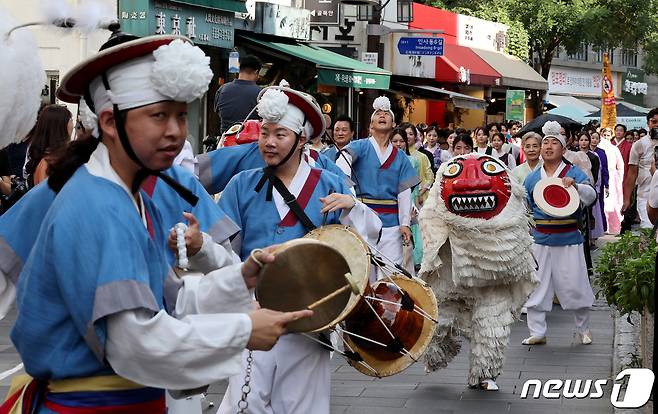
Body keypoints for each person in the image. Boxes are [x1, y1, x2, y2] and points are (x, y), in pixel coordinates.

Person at [5, 32, 310, 412]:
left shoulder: (126, 196)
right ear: (109, 123)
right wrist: (244, 331)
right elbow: (134, 342)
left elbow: (171, 298)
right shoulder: (96, 204)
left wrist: (239, 277)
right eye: (158, 116)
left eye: (181, 116)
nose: (175, 131)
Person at [216, 85, 381, 414]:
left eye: (280, 134)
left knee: (303, 406)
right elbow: (224, 253)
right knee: (246, 403)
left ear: (302, 139)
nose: (269, 142)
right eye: (264, 133)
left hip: (312, 316)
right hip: (256, 310)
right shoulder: (241, 185)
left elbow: (362, 246)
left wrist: (353, 207)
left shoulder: (329, 183)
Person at [419, 151, 536, 391]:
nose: (475, 181)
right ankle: (436, 353)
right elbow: (429, 217)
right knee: (441, 316)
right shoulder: (438, 205)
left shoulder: (511, 207)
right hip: (452, 268)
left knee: (493, 319)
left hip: (495, 275)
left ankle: (485, 373)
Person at [522, 121, 597, 346]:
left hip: (568, 237)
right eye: (545, 142)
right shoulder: (532, 177)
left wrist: (575, 187)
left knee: (575, 284)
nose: (548, 146)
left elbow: (590, 196)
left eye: (554, 142)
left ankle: (583, 328)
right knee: (537, 285)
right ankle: (537, 331)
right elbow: (525, 208)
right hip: (540, 238)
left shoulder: (573, 173)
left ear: (564, 149)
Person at [336, 96, 419, 279]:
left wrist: (405, 223)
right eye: (378, 114)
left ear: (394, 123)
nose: (382, 115)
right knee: (362, 271)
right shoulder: (359, 147)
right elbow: (341, 167)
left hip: (391, 223)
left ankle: (388, 308)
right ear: (371, 124)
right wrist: (349, 194)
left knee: (391, 273)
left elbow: (404, 193)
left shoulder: (401, 157)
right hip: (361, 218)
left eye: (386, 114)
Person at [622, 108, 658, 228]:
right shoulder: (639, 144)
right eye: (654, 121)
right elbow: (632, 174)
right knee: (648, 230)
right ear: (648, 123)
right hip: (645, 195)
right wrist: (627, 200)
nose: (657, 125)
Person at [24, 105, 73, 186]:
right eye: (70, 119)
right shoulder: (49, 163)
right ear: (60, 125)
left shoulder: (48, 159)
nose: (73, 124)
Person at [214, 55, 262, 135]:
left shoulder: (222, 89)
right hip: (251, 143)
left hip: (225, 141)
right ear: (256, 71)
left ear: (239, 69)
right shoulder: (261, 93)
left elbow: (218, 112)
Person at [400, 123, 433, 206]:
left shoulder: (422, 157)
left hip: (420, 198)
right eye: (405, 133)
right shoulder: (397, 156)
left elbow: (430, 177)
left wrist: (420, 193)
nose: (407, 136)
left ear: (415, 137)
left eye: (411, 134)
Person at [599, 127, 625, 234]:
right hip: (602, 177)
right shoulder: (598, 148)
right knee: (603, 203)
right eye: (604, 135)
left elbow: (620, 165)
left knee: (613, 203)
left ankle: (614, 227)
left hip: (613, 179)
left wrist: (619, 178)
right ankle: (603, 226)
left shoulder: (614, 149)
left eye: (608, 135)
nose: (606, 137)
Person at [590, 131, 609, 235]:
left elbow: (605, 169)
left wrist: (606, 184)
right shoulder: (583, 153)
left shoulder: (601, 152)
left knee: (599, 206)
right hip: (588, 182)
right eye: (592, 138)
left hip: (599, 182)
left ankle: (600, 229)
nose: (594, 140)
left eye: (596, 138)